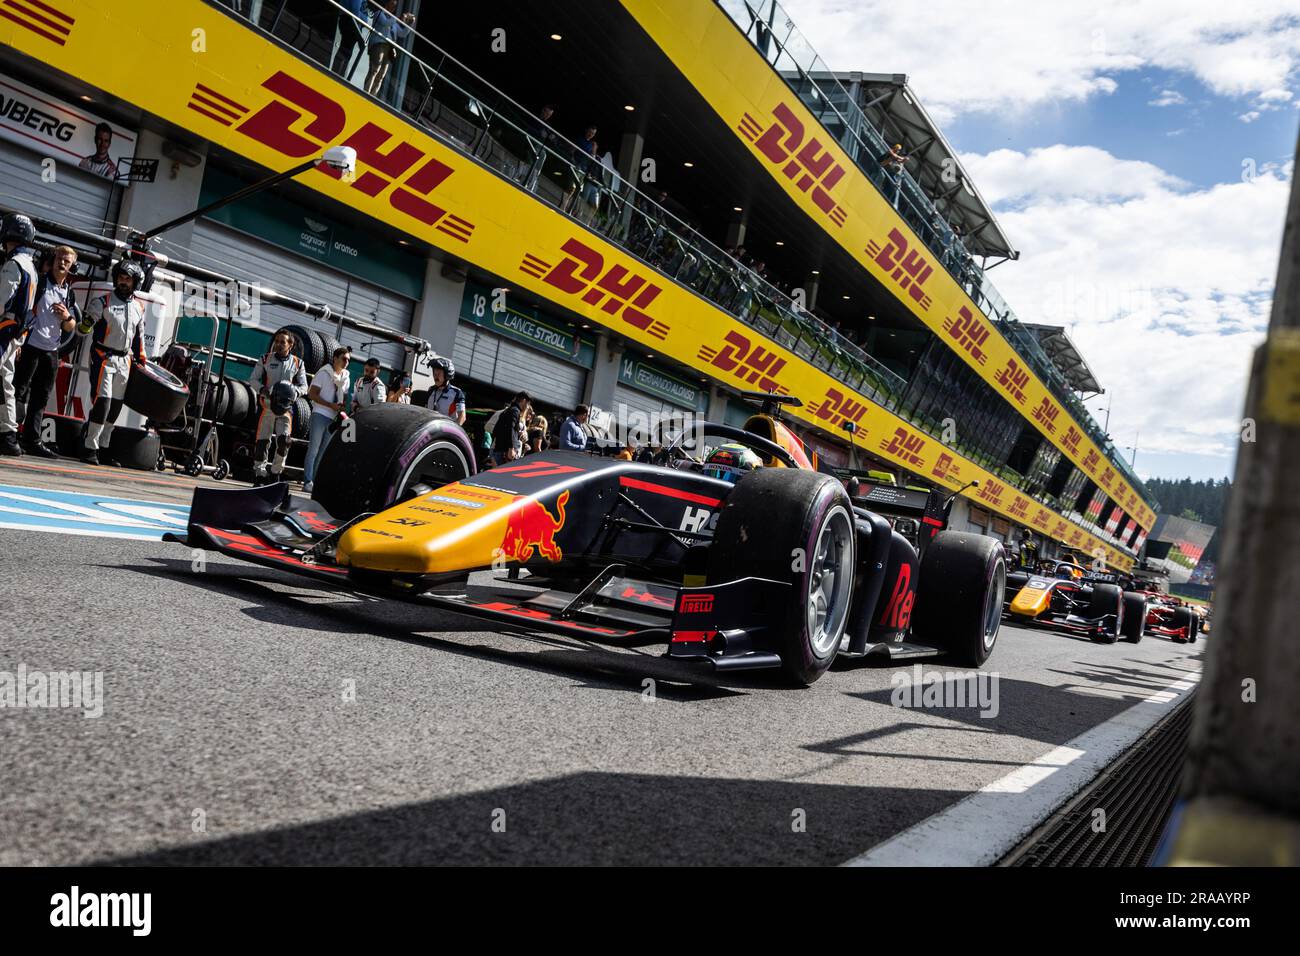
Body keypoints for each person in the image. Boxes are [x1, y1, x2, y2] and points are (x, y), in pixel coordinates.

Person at [12, 245, 79, 456]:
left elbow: (72, 327)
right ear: (53, 259)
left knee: (41, 396)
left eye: (67, 261)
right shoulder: (39, 282)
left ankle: (32, 440)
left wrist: (66, 316)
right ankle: (9, 434)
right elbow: (21, 310)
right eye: (59, 258)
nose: (62, 263)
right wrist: (18, 342)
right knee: (18, 391)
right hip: (30, 346)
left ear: (72, 266)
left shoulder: (69, 293)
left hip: (51, 350)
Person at [79, 259, 148, 465]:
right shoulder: (102, 302)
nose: (123, 282)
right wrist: (86, 323)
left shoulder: (139, 307)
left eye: (127, 279)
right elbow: (83, 330)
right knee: (103, 402)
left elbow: (139, 337)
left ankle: (104, 447)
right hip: (103, 357)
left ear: (136, 282)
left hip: (125, 360)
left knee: (116, 405)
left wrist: (142, 360)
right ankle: (89, 447)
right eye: (120, 278)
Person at [0, 213, 40, 457]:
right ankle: (8, 435)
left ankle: (9, 435)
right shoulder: (31, 265)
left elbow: (1, 301)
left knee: (5, 382)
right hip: (16, 333)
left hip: (4, 330)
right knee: (5, 382)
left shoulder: (14, 264)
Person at [247, 329, 308, 483]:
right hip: (267, 407)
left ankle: (275, 474)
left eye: (283, 342)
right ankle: (259, 475)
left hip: (286, 410)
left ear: (291, 345)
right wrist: (262, 390)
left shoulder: (298, 363)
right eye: (277, 341)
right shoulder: (265, 359)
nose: (279, 344)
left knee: (284, 441)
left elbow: (304, 387)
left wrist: (294, 393)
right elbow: (253, 379)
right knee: (262, 442)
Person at [302, 346, 351, 493]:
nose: (346, 362)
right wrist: (330, 405)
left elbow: (345, 397)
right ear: (335, 358)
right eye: (344, 359)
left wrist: (342, 409)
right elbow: (312, 394)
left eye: (348, 360)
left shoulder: (346, 377)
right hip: (320, 414)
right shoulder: (324, 373)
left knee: (323, 452)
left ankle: (315, 482)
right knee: (314, 450)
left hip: (334, 418)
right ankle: (307, 481)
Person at [364, 0, 415, 97]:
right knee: (374, 70)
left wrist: (409, 24)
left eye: (395, 6)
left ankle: (372, 96)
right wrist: (399, 18)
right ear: (387, 4)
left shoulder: (394, 22)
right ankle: (365, 93)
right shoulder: (379, 13)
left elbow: (402, 33)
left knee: (381, 76)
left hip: (389, 49)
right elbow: (385, 23)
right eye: (392, 4)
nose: (393, 7)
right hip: (378, 44)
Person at [331, 0, 371, 81]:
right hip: (350, 22)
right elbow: (354, 11)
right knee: (345, 52)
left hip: (350, 21)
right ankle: (336, 77)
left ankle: (336, 75)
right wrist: (365, 19)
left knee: (345, 52)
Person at [491, 390, 530, 463]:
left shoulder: (508, 410)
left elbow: (495, 430)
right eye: (528, 404)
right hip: (505, 452)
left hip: (499, 449)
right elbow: (511, 429)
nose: (527, 407)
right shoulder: (515, 411)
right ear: (524, 401)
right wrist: (511, 448)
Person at [424, 357, 465, 424]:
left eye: (439, 374)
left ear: (447, 375)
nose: (435, 377)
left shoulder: (457, 393)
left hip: (446, 431)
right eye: (434, 373)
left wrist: (452, 432)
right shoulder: (431, 390)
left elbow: (462, 417)